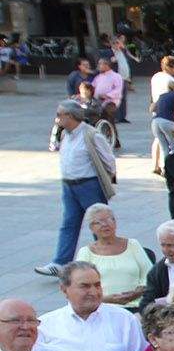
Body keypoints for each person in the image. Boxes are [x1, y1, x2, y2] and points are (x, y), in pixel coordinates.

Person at [37, 101, 117, 279]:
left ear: (71, 116)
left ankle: (106, 260)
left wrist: (106, 180)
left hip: (88, 185)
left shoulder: (91, 134)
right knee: (69, 224)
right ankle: (60, 263)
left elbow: (109, 160)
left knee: (99, 224)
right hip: (69, 185)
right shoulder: (66, 134)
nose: (57, 118)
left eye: (60, 114)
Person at [75, 203, 152, 309]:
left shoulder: (133, 244)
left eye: (108, 220)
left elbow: (149, 275)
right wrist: (105, 299)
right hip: (101, 308)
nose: (104, 225)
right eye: (98, 222)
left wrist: (136, 293)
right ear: (91, 228)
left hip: (136, 305)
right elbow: (80, 287)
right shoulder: (85, 252)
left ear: (115, 222)